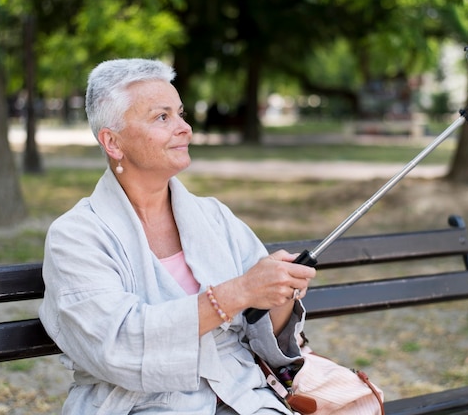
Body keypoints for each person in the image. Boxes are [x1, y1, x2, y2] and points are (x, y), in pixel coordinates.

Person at [38, 58, 316, 414]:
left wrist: (280, 290)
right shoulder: (76, 236)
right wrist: (237, 292)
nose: (184, 128)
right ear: (113, 142)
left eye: (180, 114)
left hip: (243, 397)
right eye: (162, 117)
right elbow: (118, 346)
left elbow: (262, 334)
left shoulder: (214, 216)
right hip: (140, 405)